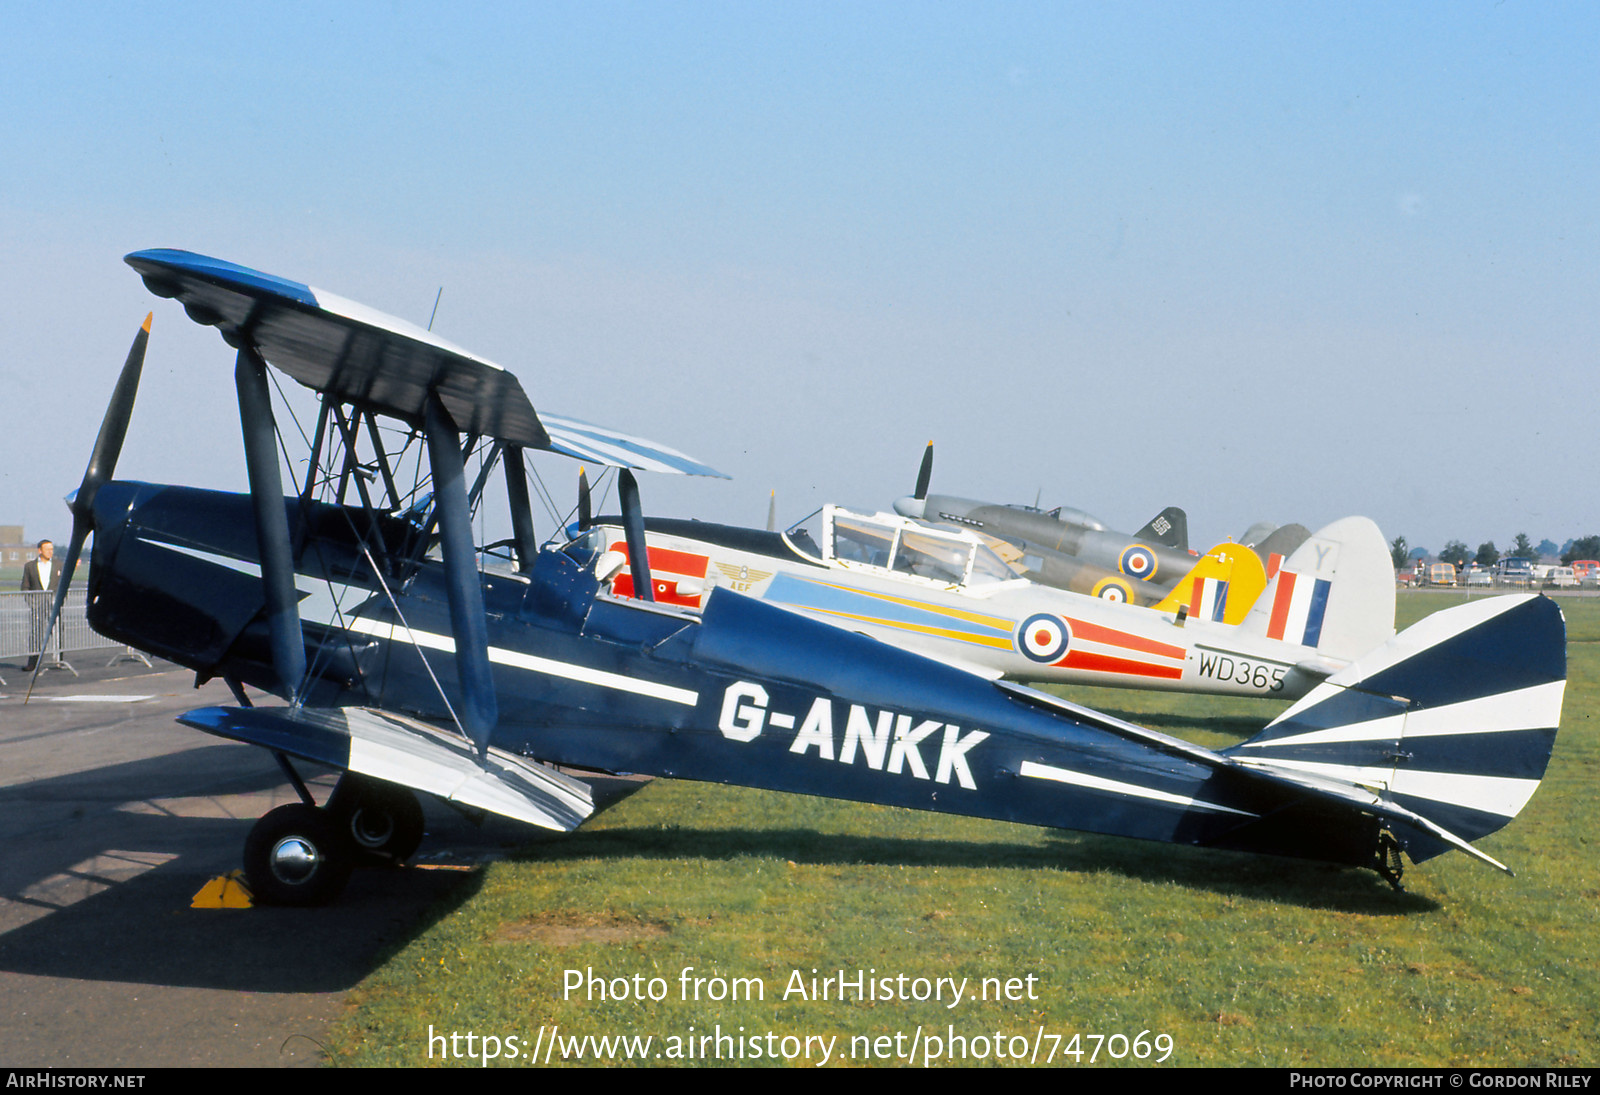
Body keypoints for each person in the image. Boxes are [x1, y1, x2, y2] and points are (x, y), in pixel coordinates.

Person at [20, 539, 58, 672]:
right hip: (38, 606)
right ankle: (33, 662)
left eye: (52, 549)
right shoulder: (30, 566)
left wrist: (61, 601)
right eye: (47, 549)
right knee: (36, 634)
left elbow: (63, 585)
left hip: (54, 605)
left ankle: (59, 660)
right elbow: (25, 586)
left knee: (58, 632)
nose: (50, 552)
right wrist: (31, 603)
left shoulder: (58, 565)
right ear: (40, 551)